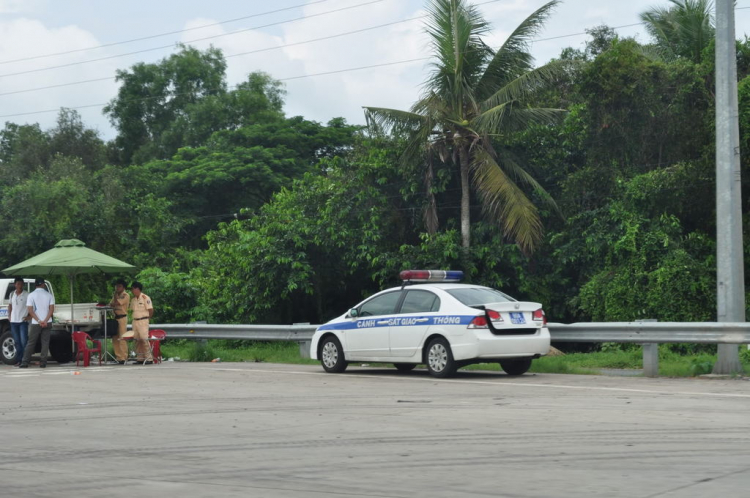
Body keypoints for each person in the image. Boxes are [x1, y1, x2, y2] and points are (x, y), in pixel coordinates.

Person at [20, 278, 55, 368]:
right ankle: (43, 362)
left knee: (31, 342)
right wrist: (45, 320)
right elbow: (51, 309)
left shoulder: (31, 295)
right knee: (45, 342)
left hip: (36, 322)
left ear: (35, 285)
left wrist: (39, 321)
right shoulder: (49, 295)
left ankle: (25, 362)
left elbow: (30, 310)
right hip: (48, 322)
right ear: (43, 284)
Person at [128, 281, 153, 365]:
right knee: (137, 339)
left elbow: (150, 309)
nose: (132, 291)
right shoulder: (133, 299)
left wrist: (147, 318)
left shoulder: (145, 298)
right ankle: (140, 358)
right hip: (135, 321)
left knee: (144, 339)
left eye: (133, 289)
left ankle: (149, 358)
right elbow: (132, 310)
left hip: (143, 320)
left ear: (137, 289)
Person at [7, 277, 29, 367]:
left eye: (21, 283)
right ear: (15, 284)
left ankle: (25, 360)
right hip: (13, 321)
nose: (19, 285)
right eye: (18, 283)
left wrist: (29, 316)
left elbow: (31, 307)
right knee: (16, 342)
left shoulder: (27, 294)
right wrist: (9, 316)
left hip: (22, 321)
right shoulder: (12, 294)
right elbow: (10, 305)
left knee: (24, 341)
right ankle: (19, 360)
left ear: (23, 284)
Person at [109, 279, 130, 365]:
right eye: (116, 286)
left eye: (119, 286)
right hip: (115, 318)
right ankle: (118, 357)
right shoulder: (115, 295)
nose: (117, 288)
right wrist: (114, 296)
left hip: (122, 318)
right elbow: (110, 304)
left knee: (122, 338)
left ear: (123, 287)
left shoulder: (125, 295)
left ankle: (124, 357)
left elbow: (116, 303)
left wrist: (114, 296)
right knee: (115, 338)